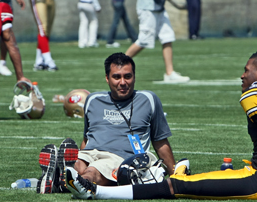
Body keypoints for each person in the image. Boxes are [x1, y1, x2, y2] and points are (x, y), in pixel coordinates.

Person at [65, 50, 257, 202]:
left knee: (179, 187)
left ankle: (100, 193)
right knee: (214, 174)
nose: (242, 76)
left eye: (247, 70)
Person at [37, 52, 177, 193]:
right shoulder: (92, 100)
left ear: (134, 77)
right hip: (90, 152)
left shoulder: (148, 100)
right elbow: (87, 138)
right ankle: (65, 174)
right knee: (78, 162)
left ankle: (63, 179)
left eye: (127, 76)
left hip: (120, 158)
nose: (123, 82)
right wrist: (82, 155)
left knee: (92, 171)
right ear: (107, 78)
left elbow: (160, 141)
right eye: (116, 77)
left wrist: (176, 176)